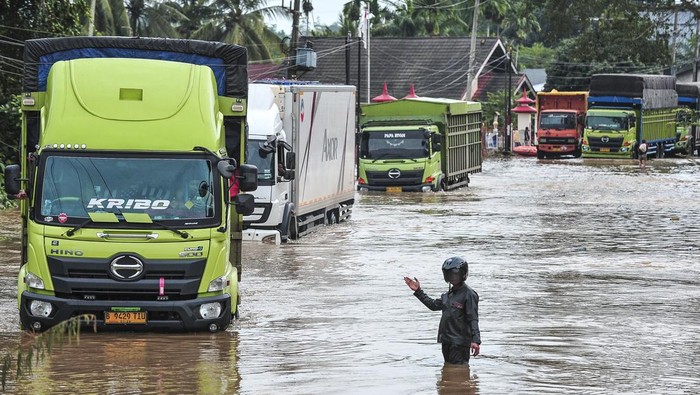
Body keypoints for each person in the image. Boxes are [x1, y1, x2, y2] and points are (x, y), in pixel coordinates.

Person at [404, 257, 481, 365]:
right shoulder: (448, 295)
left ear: (462, 274)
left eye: (454, 274)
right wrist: (418, 291)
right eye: (449, 274)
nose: (452, 277)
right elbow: (433, 305)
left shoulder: (469, 294)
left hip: (459, 342)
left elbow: (473, 318)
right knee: (447, 370)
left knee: (458, 370)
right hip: (446, 340)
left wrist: (475, 340)